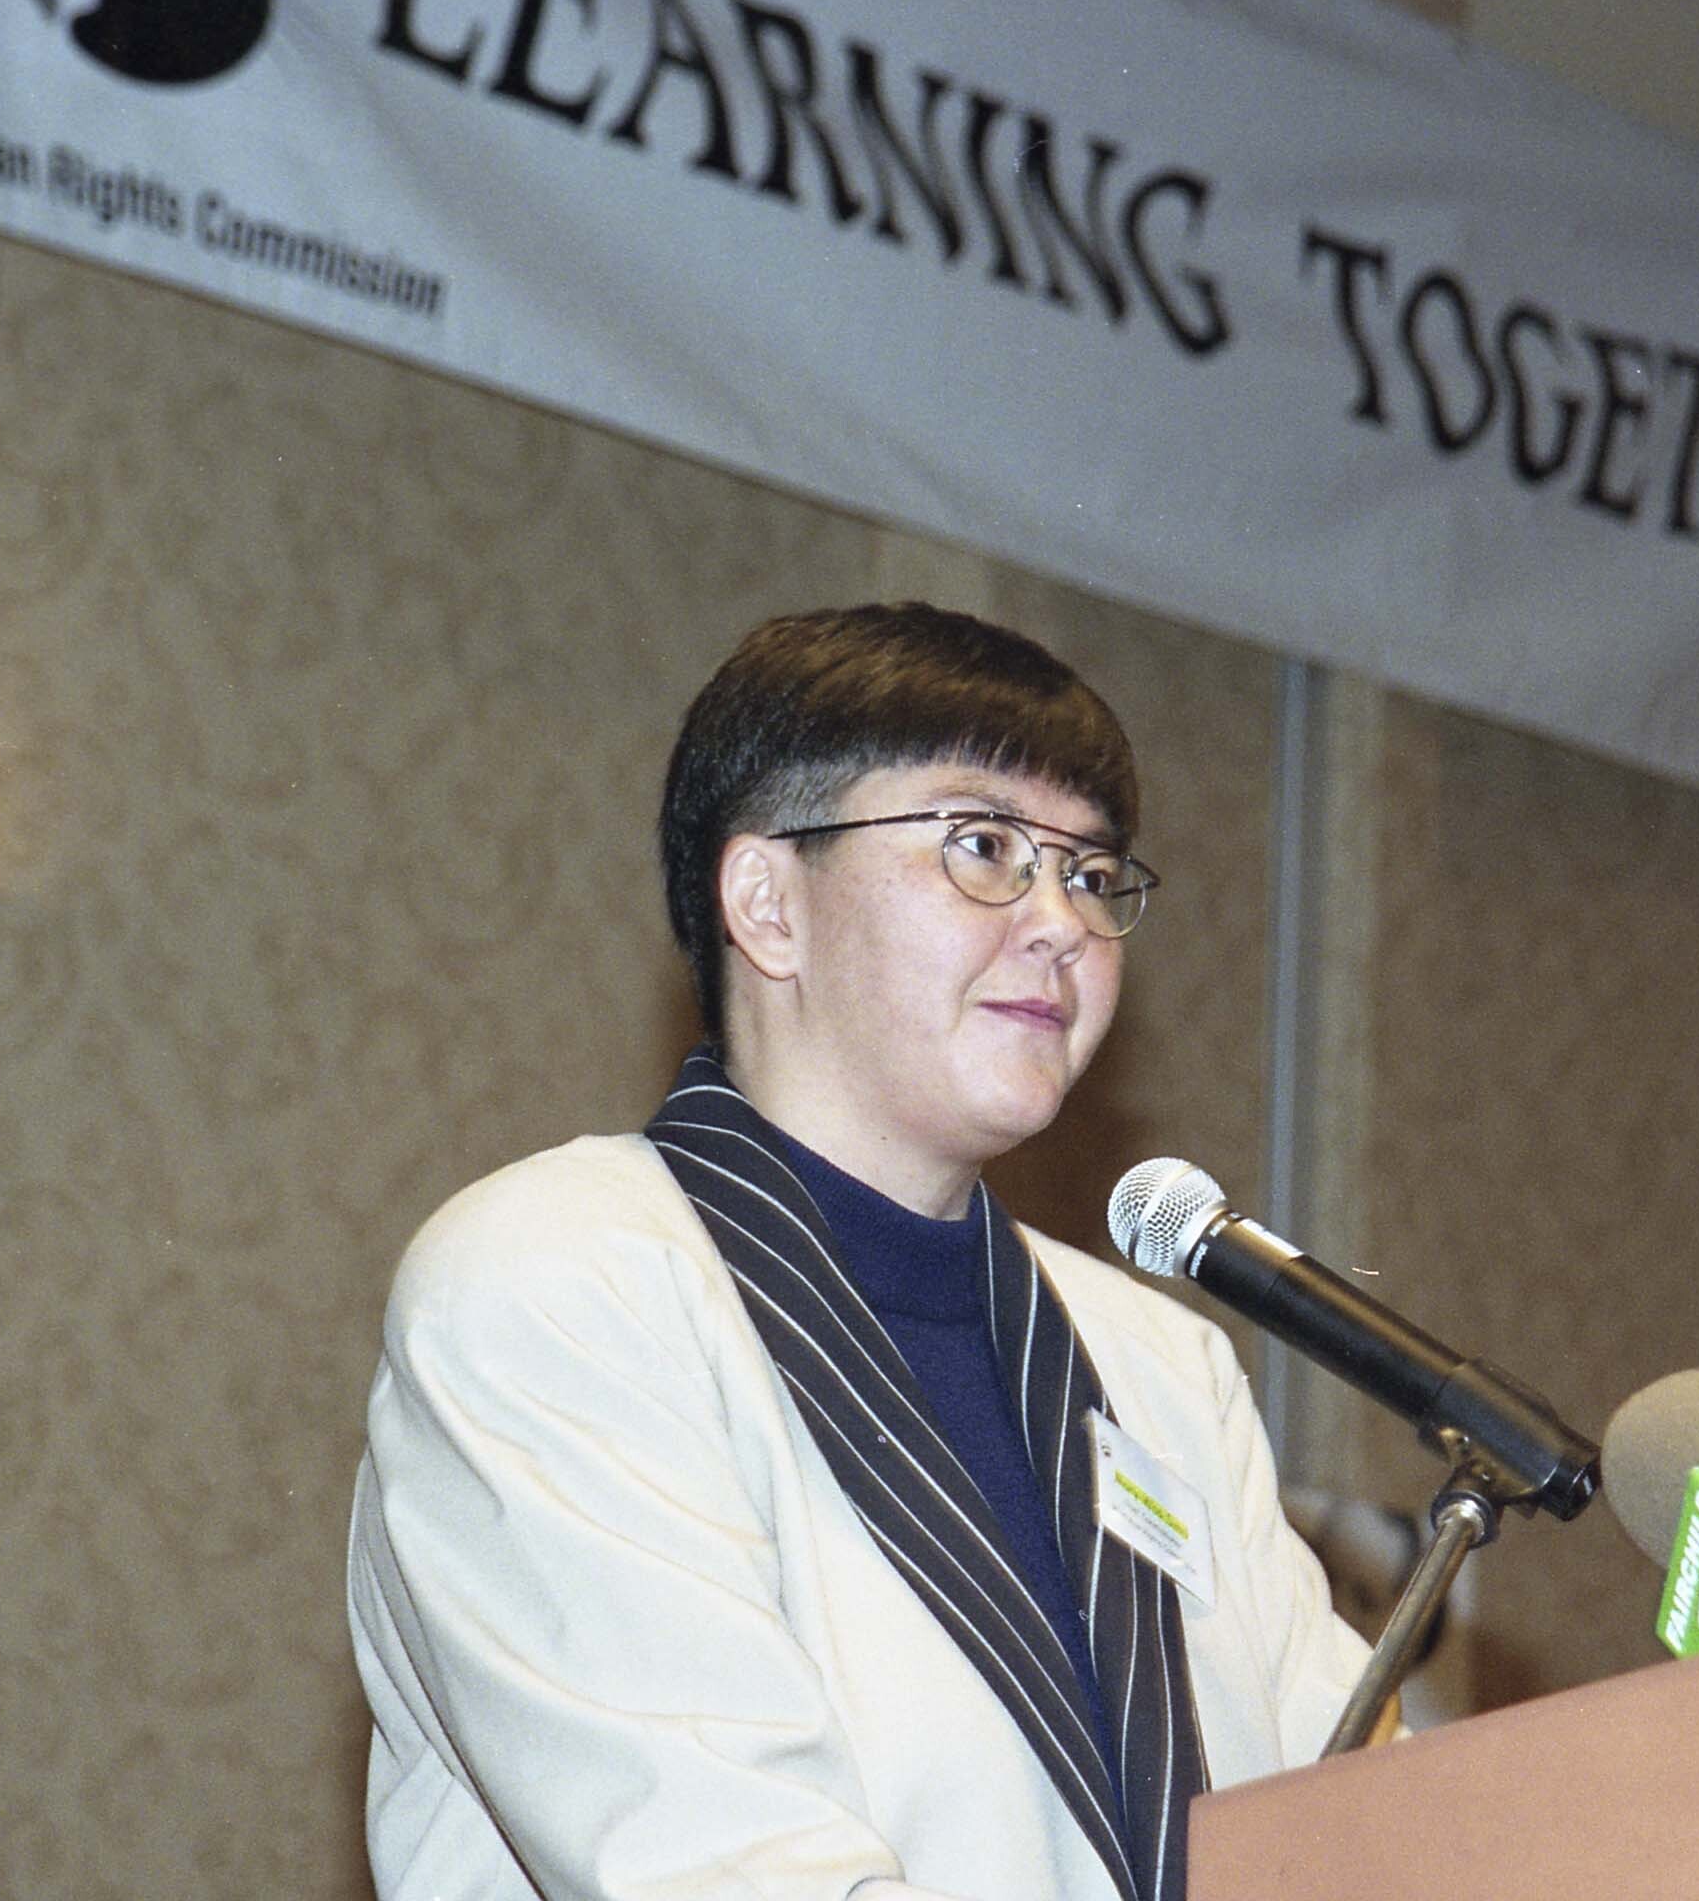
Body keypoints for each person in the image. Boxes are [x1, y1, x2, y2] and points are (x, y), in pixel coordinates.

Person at [347, 603, 1370, 1901]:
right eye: (985, 846)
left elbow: (1366, 1821)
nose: (1063, 922)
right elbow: (719, 1865)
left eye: (1091, 874)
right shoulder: (555, 1281)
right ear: (767, 903)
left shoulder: (1164, 1365)